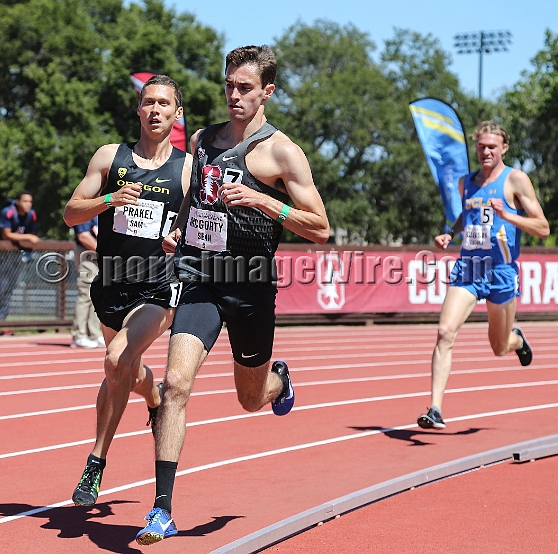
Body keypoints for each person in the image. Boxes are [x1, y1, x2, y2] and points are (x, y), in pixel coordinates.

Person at [135, 45, 330, 546]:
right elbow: (193, 199)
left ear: (267, 91)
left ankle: (278, 381)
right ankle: (161, 510)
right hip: (201, 277)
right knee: (176, 384)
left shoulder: (281, 151)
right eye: (228, 85)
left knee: (250, 399)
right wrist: (178, 229)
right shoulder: (201, 141)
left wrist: (265, 199)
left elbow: (320, 227)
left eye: (245, 88)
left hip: (251, 289)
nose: (233, 95)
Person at [63, 74, 191, 508]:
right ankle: (152, 396)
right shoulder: (110, 157)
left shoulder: (188, 168)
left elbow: (202, 227)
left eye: (164, 104)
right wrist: (108, 200)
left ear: (177, 115)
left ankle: (95, 463)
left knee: (116, 360)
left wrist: (180, 237)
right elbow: (69, 213)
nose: (155, 110)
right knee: (126, 372)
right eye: (148, 102)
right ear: (138, 109)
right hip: (111, 286)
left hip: (158, 287)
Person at [417, 121, 550, 430]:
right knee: (445, 332)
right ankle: (435, 408)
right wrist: (450, 234)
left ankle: (516, 340)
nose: (486, 151)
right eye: (481, 146)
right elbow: (468, 215)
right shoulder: (467, 183)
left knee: (499, 347)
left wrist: (508, 216)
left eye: (492, 146)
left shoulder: (516, 179)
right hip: (469, 268)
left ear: (504, 148)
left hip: (502, 271)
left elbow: (543, 228)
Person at [0, 190, 40, 330]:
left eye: (30, 202)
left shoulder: (31, 215)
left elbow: (31, 233)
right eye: (25, 201)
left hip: (15, 255)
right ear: (17, 201)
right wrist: (27, 238)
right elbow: (6, 235)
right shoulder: (8, 212)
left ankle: (0, 319)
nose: (28, 204)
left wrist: (27, 240)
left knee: (9, 288)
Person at [70, 215, 104, 348]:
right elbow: (83, 236)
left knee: (98, 294)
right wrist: (104, 251)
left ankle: (94, 334)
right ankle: (79, 335)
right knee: (86, 293)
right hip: (87, 253)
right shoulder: (87, 209)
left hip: (99, 255)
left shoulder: (106, 207)